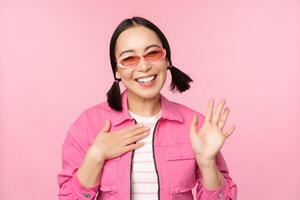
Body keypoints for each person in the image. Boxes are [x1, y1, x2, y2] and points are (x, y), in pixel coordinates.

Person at [57, 16, 237, 200]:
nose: (144, 66)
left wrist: (207, 163)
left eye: (152, 54)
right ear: (116, 71)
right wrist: (96, 155)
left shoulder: (195, 126)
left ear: (167, 60)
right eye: (129, 59)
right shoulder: (88, 124)